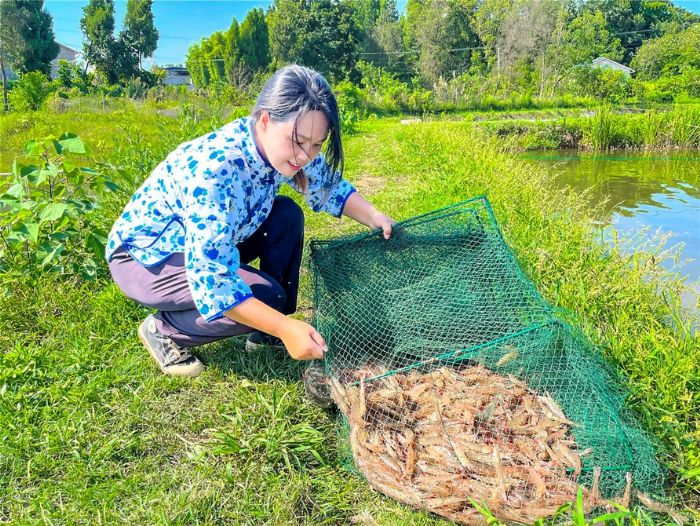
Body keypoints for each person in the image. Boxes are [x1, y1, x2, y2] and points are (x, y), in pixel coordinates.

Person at [106, 65, 394, 385]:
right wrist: (286, 328)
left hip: (205, 240)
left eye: (316, 144)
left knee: (286, 215)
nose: (305, 156)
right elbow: (214, 281)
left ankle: (264, 327)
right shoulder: (216, 169)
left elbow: (325, 184)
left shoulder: (277, 147)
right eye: (298, 142)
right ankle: (164, 330)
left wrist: (374, 217)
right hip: (146, 258)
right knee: (264, 296)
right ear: (266, 119)